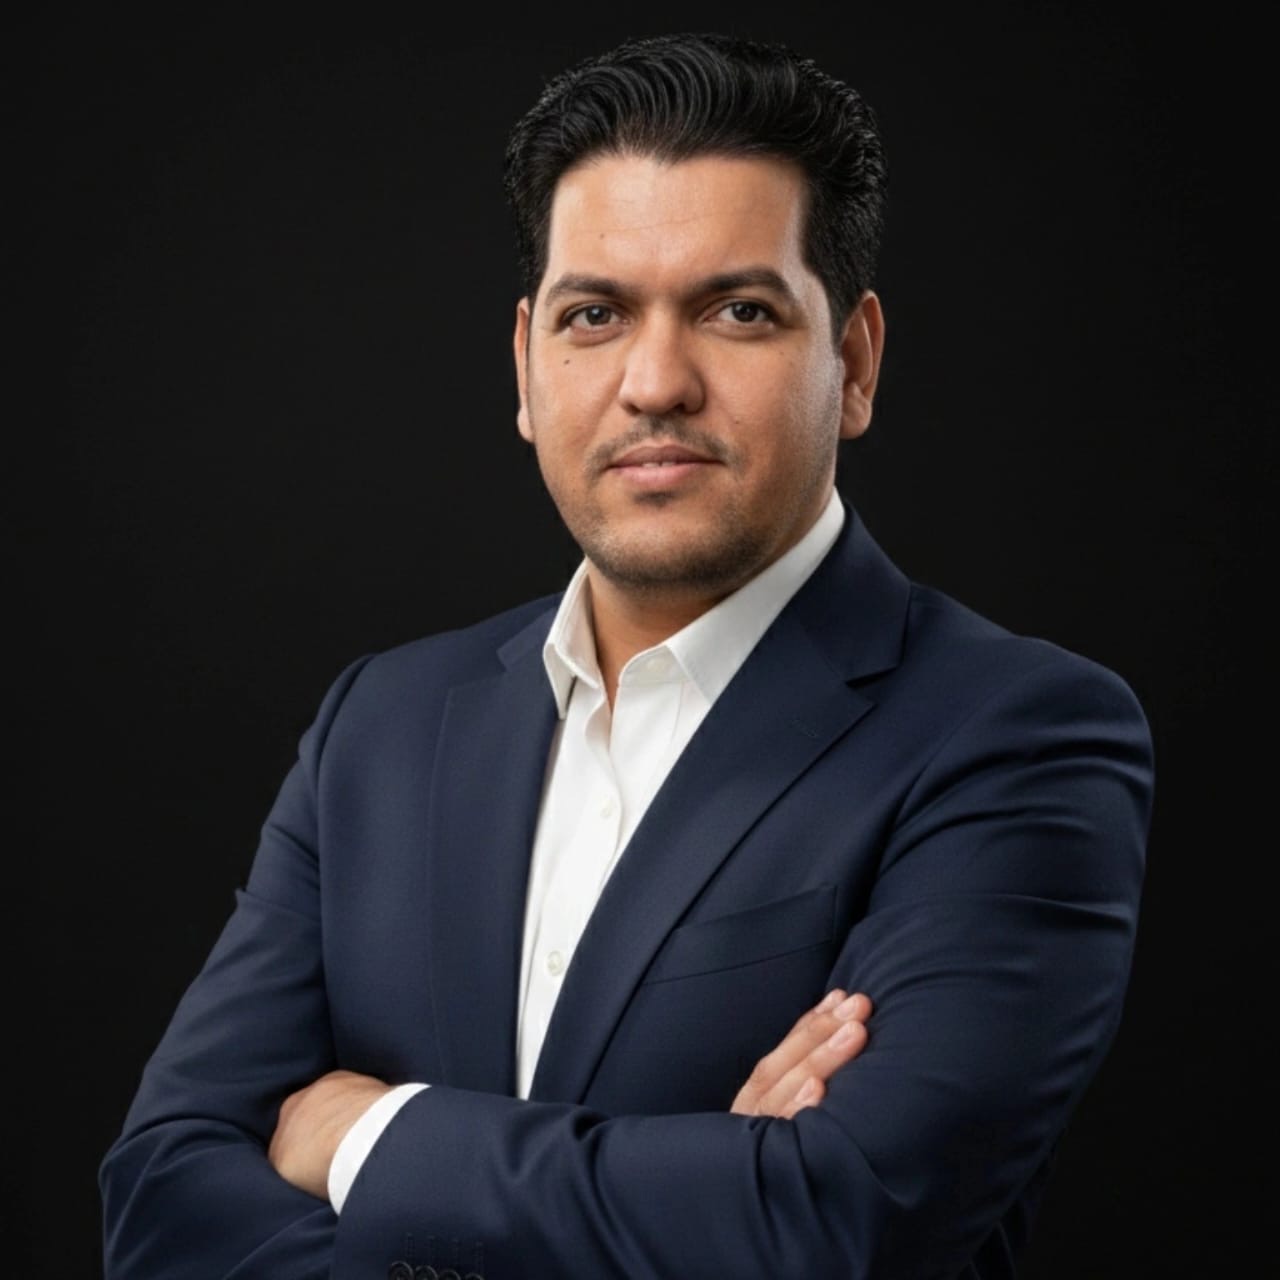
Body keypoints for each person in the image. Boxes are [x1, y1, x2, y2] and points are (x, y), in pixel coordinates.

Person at [100, 32, 1154, 1280]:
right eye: (593, 314)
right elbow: (161, 1191)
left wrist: (366, 1134)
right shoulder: (379, 723)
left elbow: (830, 1222)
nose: (655, 382)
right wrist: (704, 1187)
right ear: (525, 367)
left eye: (737, 311)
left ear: (854, 361)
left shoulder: (1015, 735)